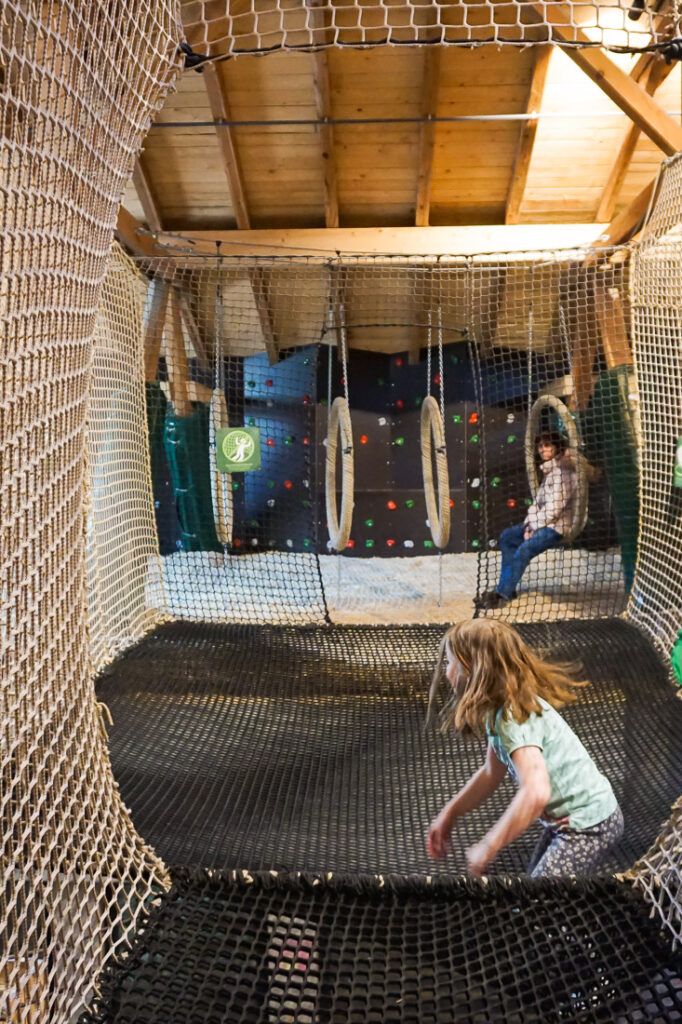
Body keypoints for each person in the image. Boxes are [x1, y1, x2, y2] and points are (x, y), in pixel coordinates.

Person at [425, 618, 623, 877]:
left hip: (588, 825)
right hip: (567, 822)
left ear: (473, 670)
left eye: (451, 663)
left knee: (539, 899)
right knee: (535, 887)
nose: (447, 670)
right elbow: (490, 773)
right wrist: (451, 812)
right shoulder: (497, 712)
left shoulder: (513, 718)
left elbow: (536, 792)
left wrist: (489, 844)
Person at [475, 431, 579, 610]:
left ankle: (501, 594)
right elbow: (537, 504)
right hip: (541, 524)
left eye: (547, 445)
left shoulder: (564, 474)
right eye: (540, 446)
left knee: (524, 550)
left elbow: (554, 508)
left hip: (557, 527)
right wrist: (528, 524)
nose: (542, 449)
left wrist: (534, 526)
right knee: (507, 537)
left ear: (557, 447)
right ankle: (508, 588)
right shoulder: (550, 472)